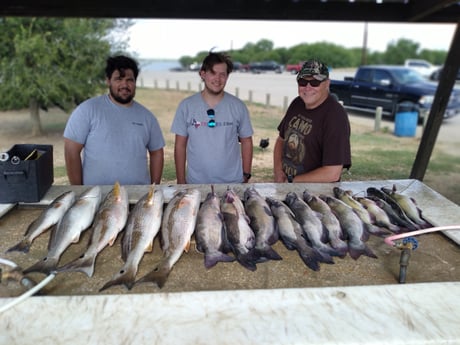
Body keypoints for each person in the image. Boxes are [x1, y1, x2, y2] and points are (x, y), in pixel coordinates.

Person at [63, 55, 165, 185]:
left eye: (130, 80)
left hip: (137, 197)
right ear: (108, 81)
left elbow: (157, 153)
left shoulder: (147, 117)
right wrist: (78, 190)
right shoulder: (87, 110)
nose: (125, 85)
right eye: (118, 79)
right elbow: (71, 150)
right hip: (97, 197)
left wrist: (153, 189)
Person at [171, 52, 254, 184]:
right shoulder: (186, 106)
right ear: (202, 74)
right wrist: (181, 181)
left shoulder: (238, 106)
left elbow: (247, 141)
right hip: (196, 184)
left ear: (227, 77)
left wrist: (246, 174)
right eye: (213, 73)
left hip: (232, 183)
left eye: (223, 74)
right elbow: (180, 146)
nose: (218, 79)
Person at [273, 59, 351, 183]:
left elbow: (332, 173)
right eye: (303, 82)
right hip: (287, 186)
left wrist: (292, 180)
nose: (307, 88)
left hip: (316, 196)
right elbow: (280, 141)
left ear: (327, 84)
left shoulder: (335, 116)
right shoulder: (297, 103)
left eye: (315, 82)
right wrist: (278, 172)